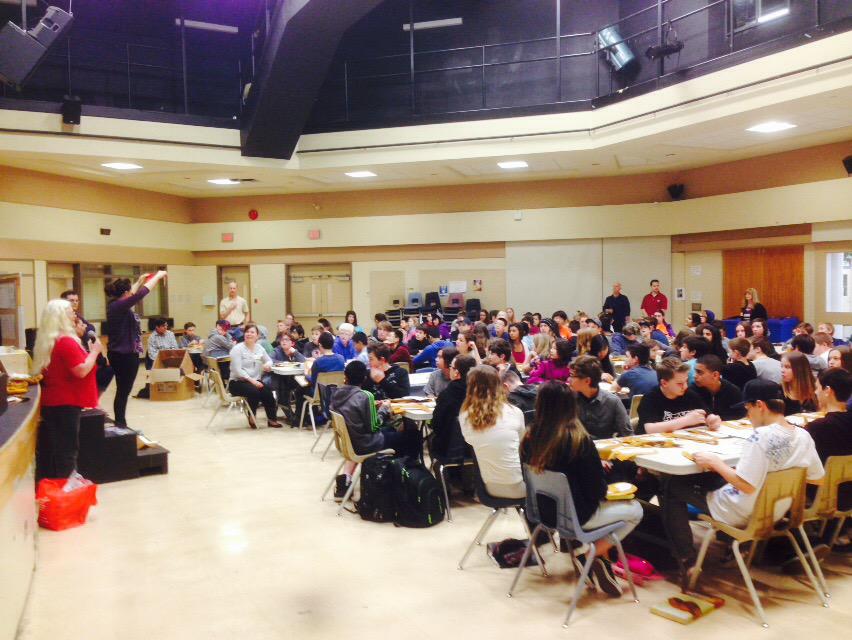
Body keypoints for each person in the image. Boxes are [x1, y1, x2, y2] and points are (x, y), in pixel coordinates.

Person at [661, 378, 823, 577]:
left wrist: (715, 463)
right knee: (713, 479)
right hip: (777, 510)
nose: (748, 414)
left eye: (748, 408)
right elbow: (816, 478)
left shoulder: (759, 437)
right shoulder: (802, 435)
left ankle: (687, 560)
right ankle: (731, 545)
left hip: (742, 510)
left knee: (671, 484)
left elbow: (746, 485)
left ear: (760, 406)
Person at [521, 381, 643, 597]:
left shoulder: (528, 438)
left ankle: (593, 555)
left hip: (543, 514)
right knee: (636, 509)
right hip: (576, 517)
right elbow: (597, 491)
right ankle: (592, 553)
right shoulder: (579, 440)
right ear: (571, 406)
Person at [330, 360, 422, 497]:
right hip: (368, 443)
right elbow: (374, 426)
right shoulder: (365, 396)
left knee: (393, 432)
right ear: (364, 378)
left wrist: (371, 408)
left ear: (346, 375)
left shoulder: (337, 394)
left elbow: (354, 413)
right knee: (412, 435)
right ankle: (411, 478)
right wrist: (383, 410)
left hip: (349, 442)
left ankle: (394, 475)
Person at [33, 299, 101, 481]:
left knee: (60, 448)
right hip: (65, 403)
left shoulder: (49, 341)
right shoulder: (65, 342)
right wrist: (94, 352)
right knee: (67, 450)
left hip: (54, 401)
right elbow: (80, 370)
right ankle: (67, 490)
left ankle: (61, 485)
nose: (75, 316)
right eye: (71, 312)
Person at [105, 270, 167, 427]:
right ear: (124, 293)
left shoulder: (115, 304)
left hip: (120, 353)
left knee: (122, 391)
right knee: (123, 391)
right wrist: (158, 276)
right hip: (124, 355)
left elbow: (132, 293)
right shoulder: (119, 306)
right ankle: (121, 424)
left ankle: (121, 422)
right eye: (128, 292)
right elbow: (141, 294)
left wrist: (139, 280)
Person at [459, 365, 526, 499]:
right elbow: (522, 447)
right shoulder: (514, 412)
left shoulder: (465, 416)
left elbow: (470, 441)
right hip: (520, 486)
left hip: (487, 487)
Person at [637, 358, 721, 434]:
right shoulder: (650, 398)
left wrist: (712, 419)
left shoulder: (689, 394)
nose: (685, 386)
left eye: (686, 381)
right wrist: (686, 420)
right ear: (664, 383)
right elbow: (649, 429)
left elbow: (706, 413)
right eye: (680, 384)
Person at [808, 368, 852, 511]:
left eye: (817, 388)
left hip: (825, 494)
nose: (815, 392)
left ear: (828, 390)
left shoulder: (817, 428)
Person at [228, 323, 282, 429]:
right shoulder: (237, 349)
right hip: (237, 382)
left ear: (257, 336)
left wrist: (268, 365)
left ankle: (272, 420)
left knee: (268, 393)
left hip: (254, 381)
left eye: (252, 332)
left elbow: (269, 360)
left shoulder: (259, 348)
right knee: (254, 392)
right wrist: (253, 381)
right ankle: (252, 417)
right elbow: (238, 371)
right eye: (247, 332)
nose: (249, 334)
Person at [570, 356, 631, 439]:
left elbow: (627, 435)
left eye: (572, 376)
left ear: (587, 381)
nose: (569, 379)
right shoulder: (569, 400)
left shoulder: (612, 402)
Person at [429, 354, 477, 461]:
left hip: (448, 449)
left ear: (456, 372)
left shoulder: (447, 395)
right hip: (475, 449)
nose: (449, 369)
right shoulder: (479, 393)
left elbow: (436, 425)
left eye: (451, 366)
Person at [692, 355, 745, 420]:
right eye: (695, 371)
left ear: (715, 375)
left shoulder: (733, 391)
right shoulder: (693, 390)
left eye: (699, 372)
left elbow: (741, 415)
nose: (694, 376)